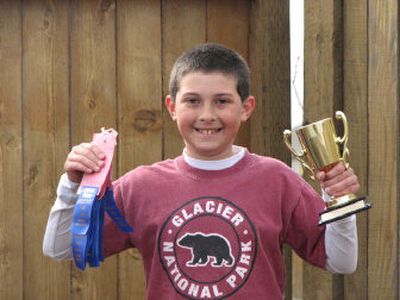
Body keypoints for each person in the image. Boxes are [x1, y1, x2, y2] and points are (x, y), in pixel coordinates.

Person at [43, 43, 359, 299]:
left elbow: (341, 261)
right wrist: (72, 186)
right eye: (192, 101)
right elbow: (58, 249)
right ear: (172, 107)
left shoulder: (277, 180)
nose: (207, 115)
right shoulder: (141, 186)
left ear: (246, 107)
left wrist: (339, 200)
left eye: (222, 101)